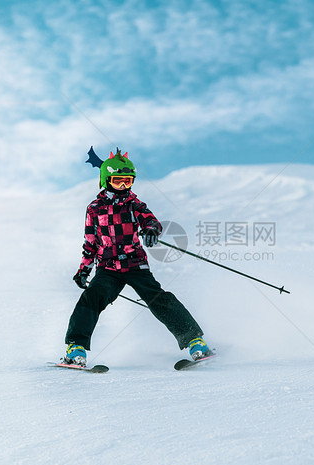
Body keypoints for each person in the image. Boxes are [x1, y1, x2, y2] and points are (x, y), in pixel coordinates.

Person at [62, 148, 211, 367]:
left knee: (159, 299)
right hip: (108, 268)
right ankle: (76, 347)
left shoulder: (134, 205)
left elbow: (151, 221)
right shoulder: (94, 209)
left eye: (128, 181)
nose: (124, 186)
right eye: (118, 181)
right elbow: (90, 242)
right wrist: (84, 269)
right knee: (91, 298)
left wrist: (151, 230)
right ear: (106, 180)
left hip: (135, 265)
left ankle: (195, 341)